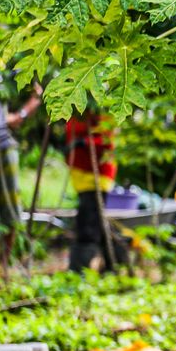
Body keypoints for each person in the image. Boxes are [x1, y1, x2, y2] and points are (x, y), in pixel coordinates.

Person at [0, 84, 42, 270]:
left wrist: (22, 114)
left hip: (2, 147)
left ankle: (3, 267)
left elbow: (36, 93)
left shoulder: (3, 72)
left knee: (9, 211)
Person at [64, 111, 127, 272]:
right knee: (96, 223)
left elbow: (106, 138)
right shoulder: (76, 107)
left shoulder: (99, 107)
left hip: (96, 175)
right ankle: (114, 264)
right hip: (82, 176)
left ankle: (79, 271)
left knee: (88, 226)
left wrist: (83, 143)